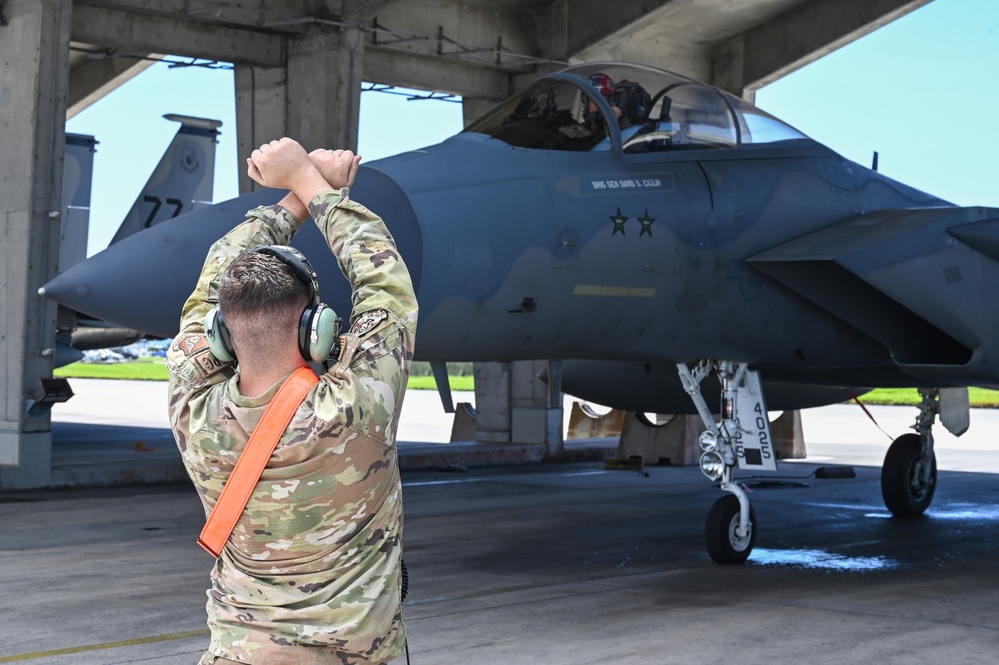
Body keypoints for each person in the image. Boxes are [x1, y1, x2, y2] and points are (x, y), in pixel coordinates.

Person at [166, 137, 418, 665]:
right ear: (316, 331)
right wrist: (308, 180)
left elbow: (216, 277)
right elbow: (384, 282)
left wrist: (294, 195)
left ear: (220, 335)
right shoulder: (356, 409)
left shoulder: (193, 409)